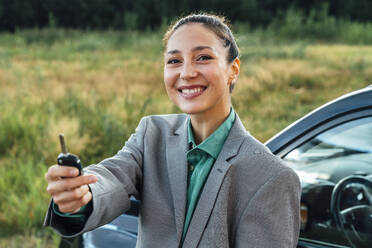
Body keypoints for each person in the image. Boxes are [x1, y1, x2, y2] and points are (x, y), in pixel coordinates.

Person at [44, 13, 301, 247]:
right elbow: (113, 176)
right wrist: (81, 195)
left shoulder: (273, 177)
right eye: (174, 60)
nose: (187, 73)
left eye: (203, 57)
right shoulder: (152, 133)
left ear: (233, 70)